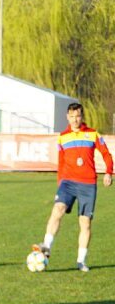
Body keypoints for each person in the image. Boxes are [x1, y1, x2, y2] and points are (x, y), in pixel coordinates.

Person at [32, 102, 112, 272]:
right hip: (67, 183)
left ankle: (81, 261)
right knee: (57, 210)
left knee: (85, 224)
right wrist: (60, 183)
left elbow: (106, 153)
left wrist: (108, 172)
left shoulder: (92, 134)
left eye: (78, 116)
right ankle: (46, 247)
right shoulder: (62, 137)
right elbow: (61, 163)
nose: (75, 119)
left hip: (88, 184)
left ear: (82, 117)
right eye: (72, 116)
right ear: (67, 117)